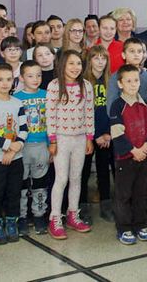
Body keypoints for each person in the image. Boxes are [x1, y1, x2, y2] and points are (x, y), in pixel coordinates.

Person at [45, 51, 94, 239]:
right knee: (61, 179)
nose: (75, 67)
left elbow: (89, 113)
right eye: (71, 63)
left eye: (78, 63)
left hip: (80, 138)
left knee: (76, 178)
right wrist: (52, 140)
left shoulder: (86, 85)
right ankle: (55, 217)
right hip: (61, 139)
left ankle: (73, 214)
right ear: (62, 65)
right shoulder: (54, 86)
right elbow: (50, 115)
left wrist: (89, 137)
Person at [108, 64, 147, 245]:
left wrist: (145, 147)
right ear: (120, 84)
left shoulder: (145, 105)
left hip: (143, 157)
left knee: (141, 193)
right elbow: (117, 133)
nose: (133, 84)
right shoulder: (117, 106)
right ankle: (124, 227)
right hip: (125, 158)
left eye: (136, 80)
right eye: (128, 81)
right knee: (124, 194)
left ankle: (140, 224)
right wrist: (133, 150)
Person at [0, 64, 28, 245]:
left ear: (13, 81)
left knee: (14, 192)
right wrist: (9, 146)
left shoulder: (18, 103)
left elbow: (24, 129)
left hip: (16, 158)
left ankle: (11, 222)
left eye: (8, 79)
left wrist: (16, 148)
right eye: (0, 79)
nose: (4, 83)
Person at [14, 61, 51, 234]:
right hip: (23, 146)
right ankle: (21, 216)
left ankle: (39, 214)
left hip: (42, 145)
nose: (35, 79)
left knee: (40, 182)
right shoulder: (16, 98)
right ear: (21, 78)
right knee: (21, 183)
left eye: (38, 75)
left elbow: (52, 122)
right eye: (30, 76)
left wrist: (51, 144)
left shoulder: (47, 95)